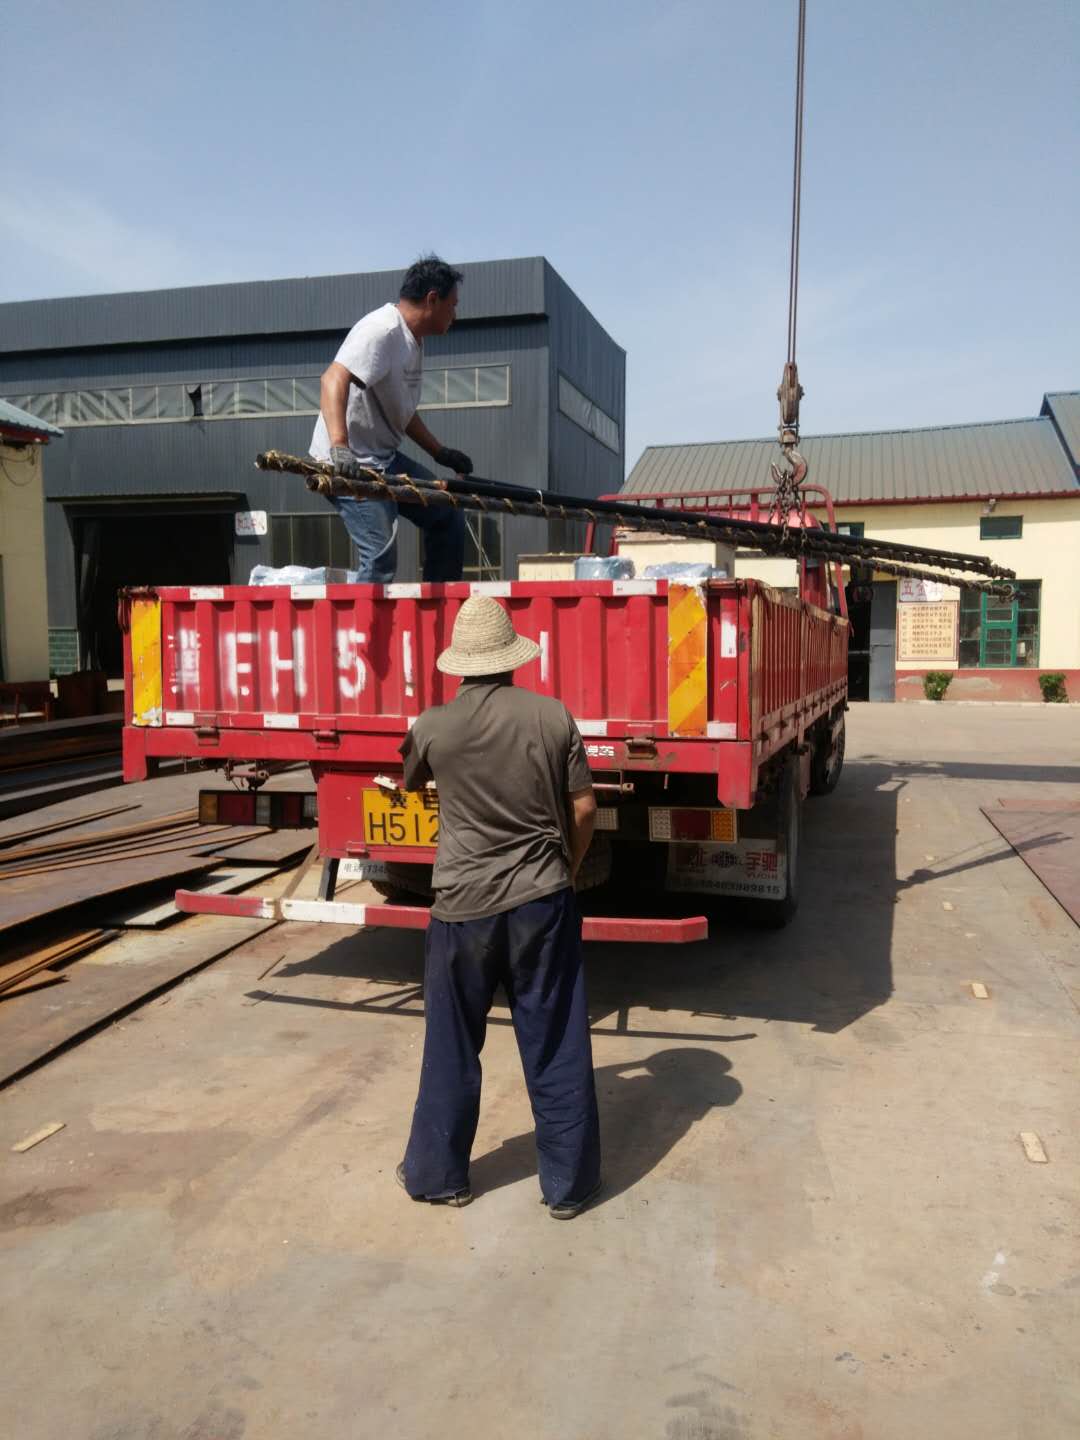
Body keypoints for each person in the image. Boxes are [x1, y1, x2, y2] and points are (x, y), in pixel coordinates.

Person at [396, 596, 602, 1219]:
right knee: (556, 1038)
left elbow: (410, 782)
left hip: (461, 907)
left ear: (460, 663)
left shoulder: (432, 726)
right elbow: (584, 808)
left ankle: (440, 1176)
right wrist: (566, 870)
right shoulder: (552, 716)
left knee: (452, 1041)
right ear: (513, 658)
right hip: (542, 900)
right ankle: (568, 1187)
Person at [309, 254, 475, 583]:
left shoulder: (412, 341)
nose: (455, 315)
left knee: (447, 514)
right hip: (349, 463)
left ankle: (438, 613)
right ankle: (367, 620)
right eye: (453, 305)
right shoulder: (382, 330)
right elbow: (332, 379)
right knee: (380, 554)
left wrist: (440, 452)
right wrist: (340, 447)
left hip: (384, 459)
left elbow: (401, 410)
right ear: (432, 299)